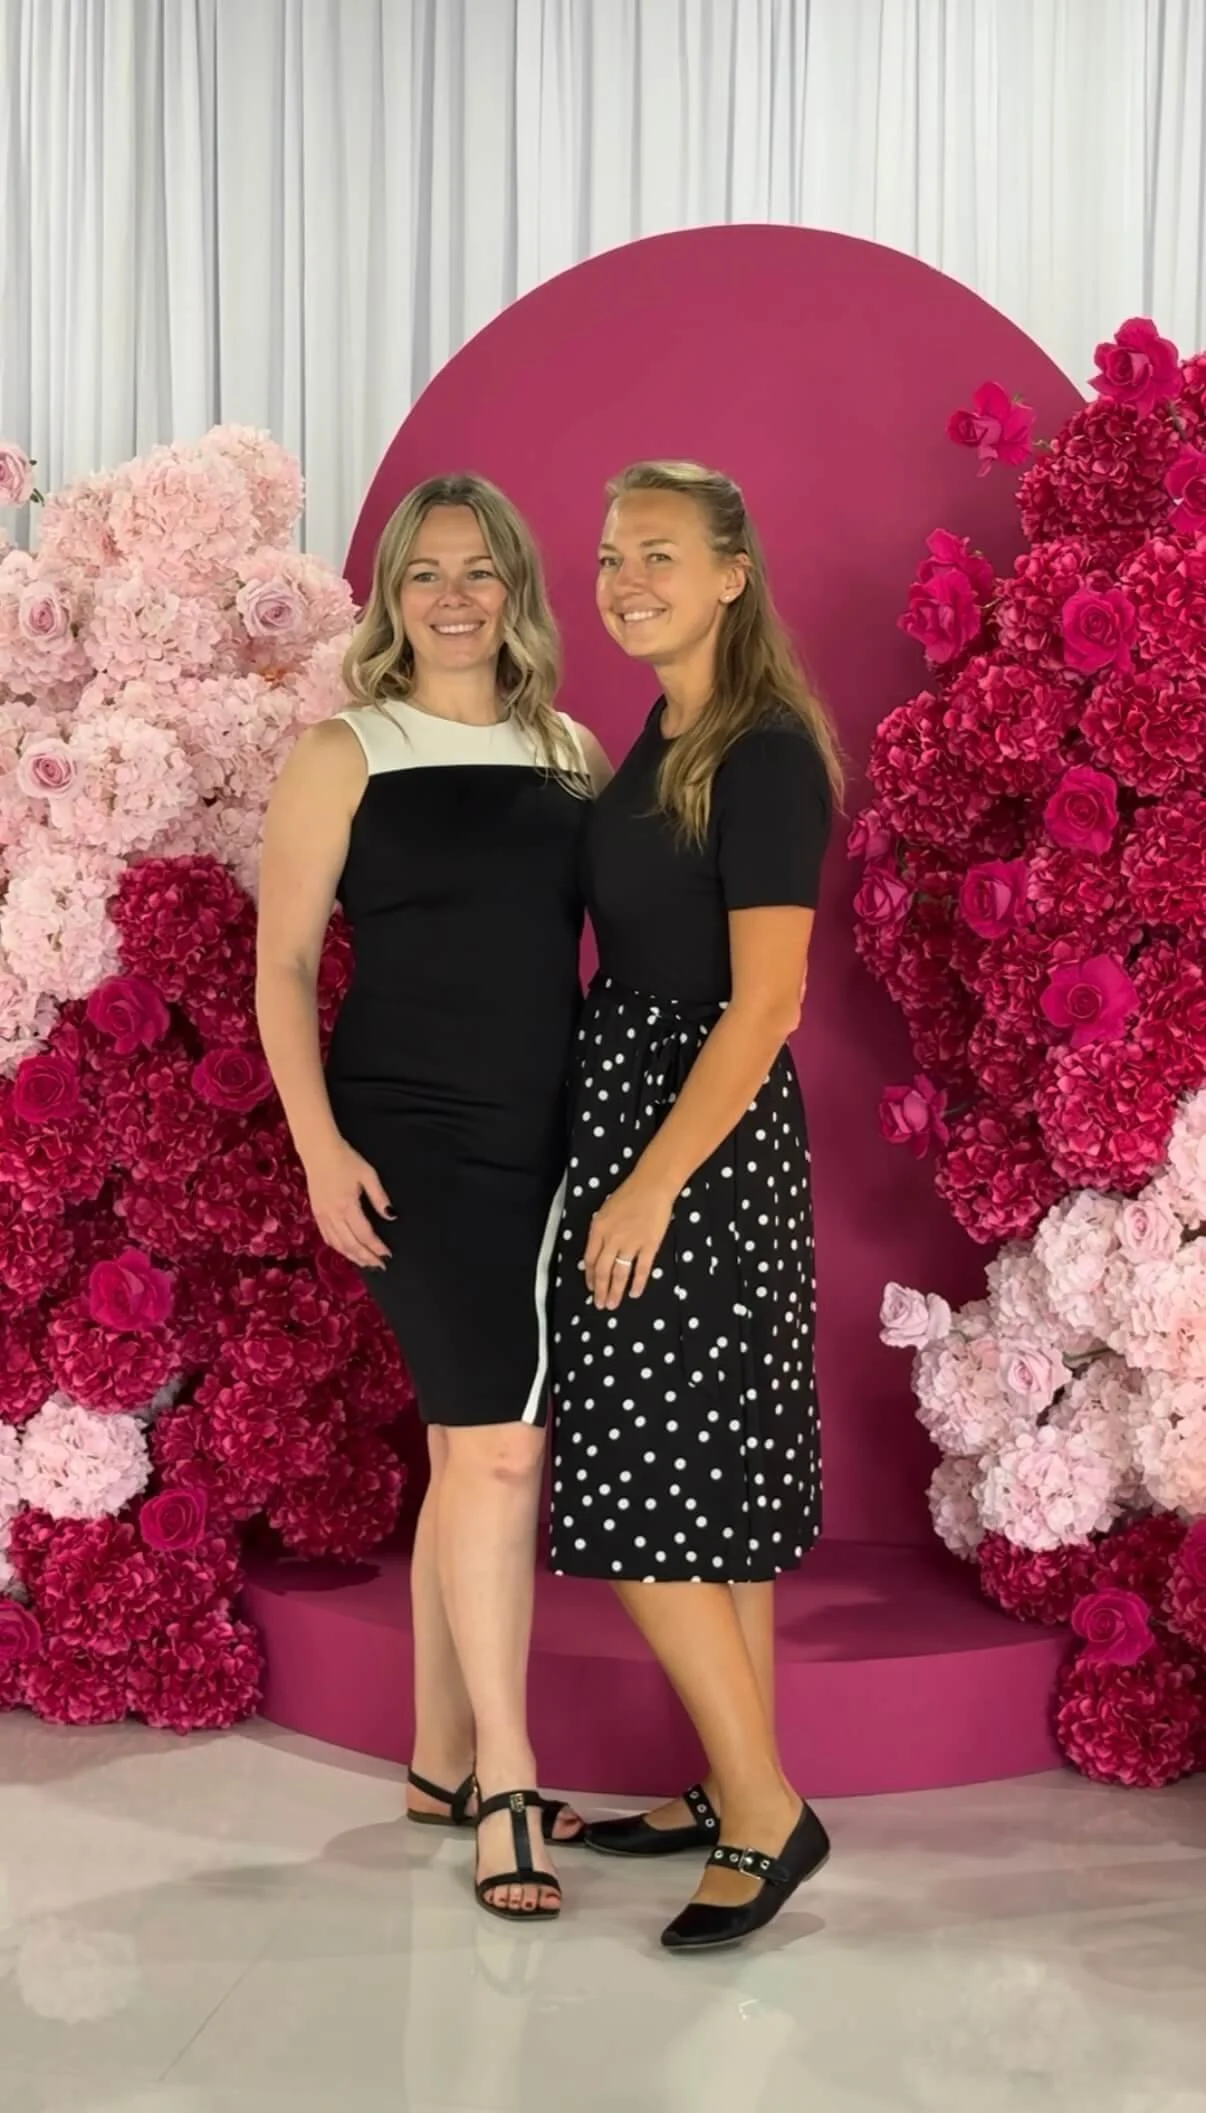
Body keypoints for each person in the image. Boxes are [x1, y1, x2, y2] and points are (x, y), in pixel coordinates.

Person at [256, 474, 608, 1925]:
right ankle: (511, 1784)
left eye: (477, 571)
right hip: (408, 1138)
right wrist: (318, 1147)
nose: (452, 597)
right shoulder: (343, 751)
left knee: (472, 1452)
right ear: (391, 597)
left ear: (514, 587)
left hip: (551, 1136)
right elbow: (280, 970)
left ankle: (437, 1759)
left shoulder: (570, 748)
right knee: (498, 1453)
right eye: (423, 576)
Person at [549, 460, 840, 1952]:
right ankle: (730, 1787)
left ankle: (770, 1814)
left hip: (697, 1147)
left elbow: (770, 996)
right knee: (704, 1494)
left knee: (649, 1485)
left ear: (731, 571)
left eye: (655, 552)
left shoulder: (763, 750)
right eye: (609, 555)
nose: (623, 577)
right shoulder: (658, 732)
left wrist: (651, 1181)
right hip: (645, 1117)